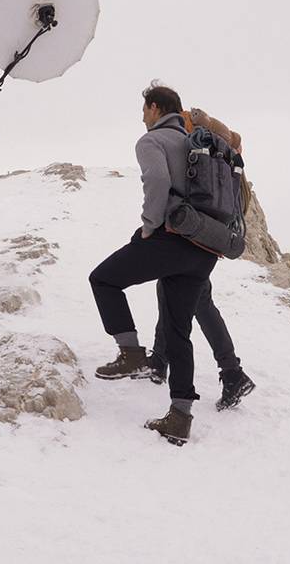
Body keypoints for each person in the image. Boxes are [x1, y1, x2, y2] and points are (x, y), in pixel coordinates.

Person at [89, 83, 219, 446]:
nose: (142, 116)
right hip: (205, 248)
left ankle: (130, 354)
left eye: (144, 109)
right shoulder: (196, 142)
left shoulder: (152, 141)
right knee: (179, 332)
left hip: (172, 238)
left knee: (103, 279)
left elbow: (158, 181)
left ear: (155, 107)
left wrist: (149, 227)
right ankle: (180, 418)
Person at [142, 107, 256, 410]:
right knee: (175, 290)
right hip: (210, 234)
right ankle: (159, 360)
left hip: (193, 232)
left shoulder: (202, 149)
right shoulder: (226, 159)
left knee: (197, 300)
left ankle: (232, 372)